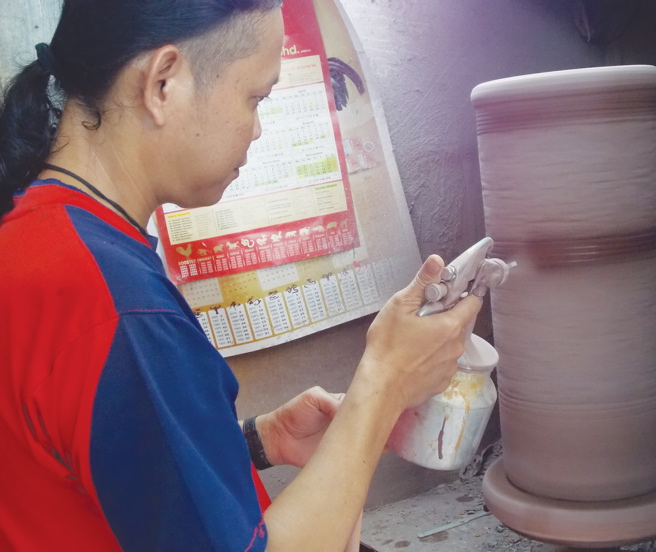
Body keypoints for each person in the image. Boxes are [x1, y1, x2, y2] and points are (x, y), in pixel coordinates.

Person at [0, 1, 481, 550]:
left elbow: (96, 462)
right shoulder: (117, 307)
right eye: (254, 98)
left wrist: (254, 441)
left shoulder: (36, 234)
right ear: (163, 83)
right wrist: (385, 381)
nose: (256, 129)